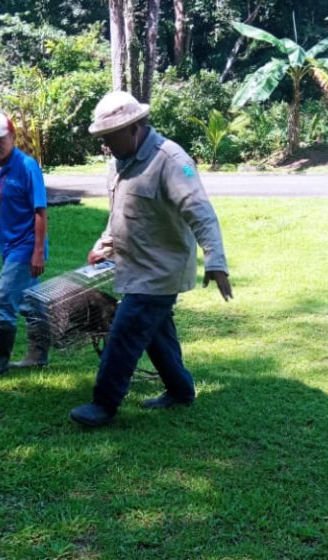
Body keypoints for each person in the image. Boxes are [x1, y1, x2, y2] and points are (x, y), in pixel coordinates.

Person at [69, 91, 232, 427]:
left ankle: (103, 404)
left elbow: (201, 213)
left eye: (110, 137)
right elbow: (122, 213)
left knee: (125, 332)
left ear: (135, 127)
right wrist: (105, 244)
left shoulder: (171, 161)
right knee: (156, 333)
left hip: (161, 270)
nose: (106, 145)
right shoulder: (119, 163)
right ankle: (181, 391)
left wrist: (215, 262)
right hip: (134, 266)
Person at [0, 113, 49, 378]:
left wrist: (38, 252)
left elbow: (40, 212)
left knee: (3, 298)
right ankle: (39, 355)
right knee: (31, 301)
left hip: (26, 247)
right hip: (7, 246)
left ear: (12, 137)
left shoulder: (28, 167)